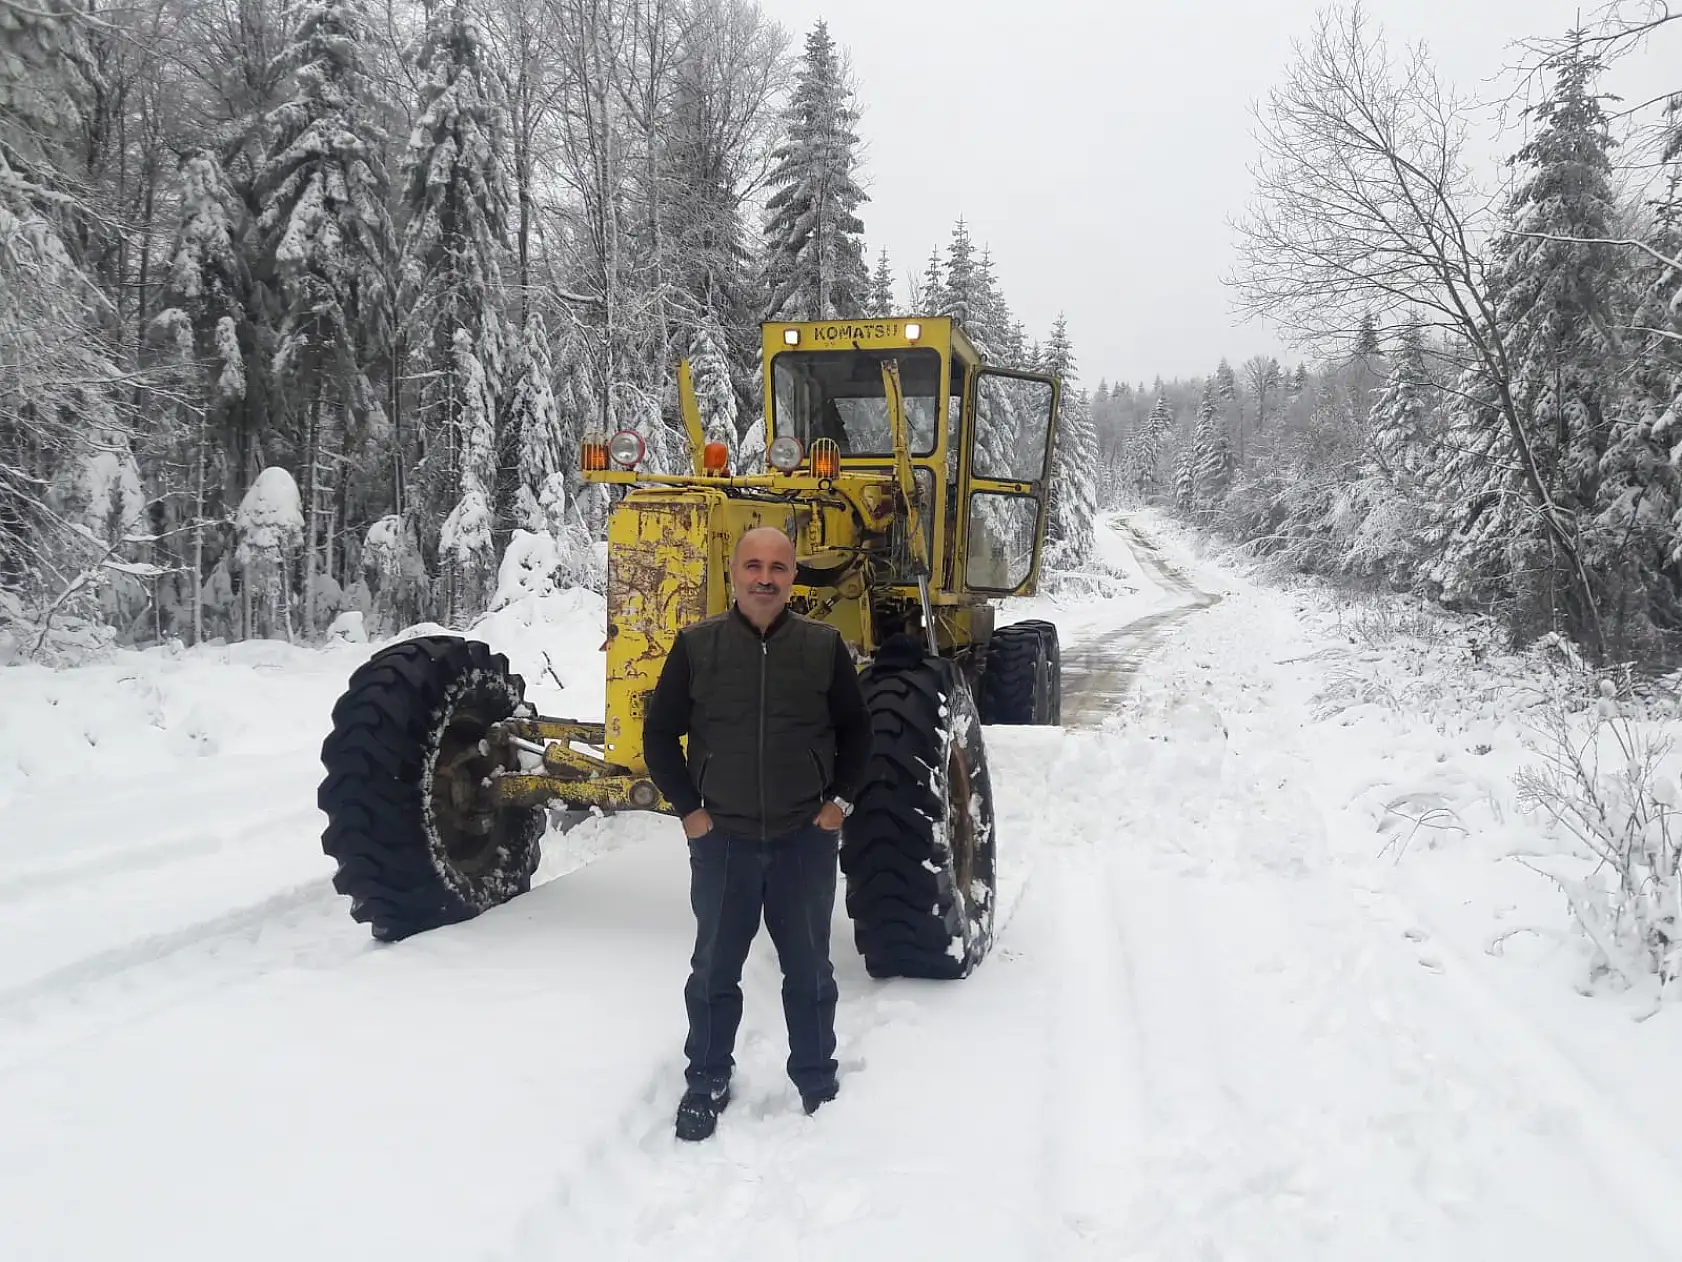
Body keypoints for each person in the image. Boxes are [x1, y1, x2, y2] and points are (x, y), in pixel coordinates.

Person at [642, 525, 874, 1142]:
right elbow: (659, 735)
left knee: (809, 971)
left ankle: (816, 1078)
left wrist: (839, 803)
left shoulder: (823, 647)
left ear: (793, 576)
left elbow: (858, 733)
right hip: (723, 844)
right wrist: (690, 811)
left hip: (803, 840)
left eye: (777, 566)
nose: (764, 577)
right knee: (715, 970)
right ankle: (707, 1079)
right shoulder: (697, 646)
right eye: (753, 565)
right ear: (735, 574)